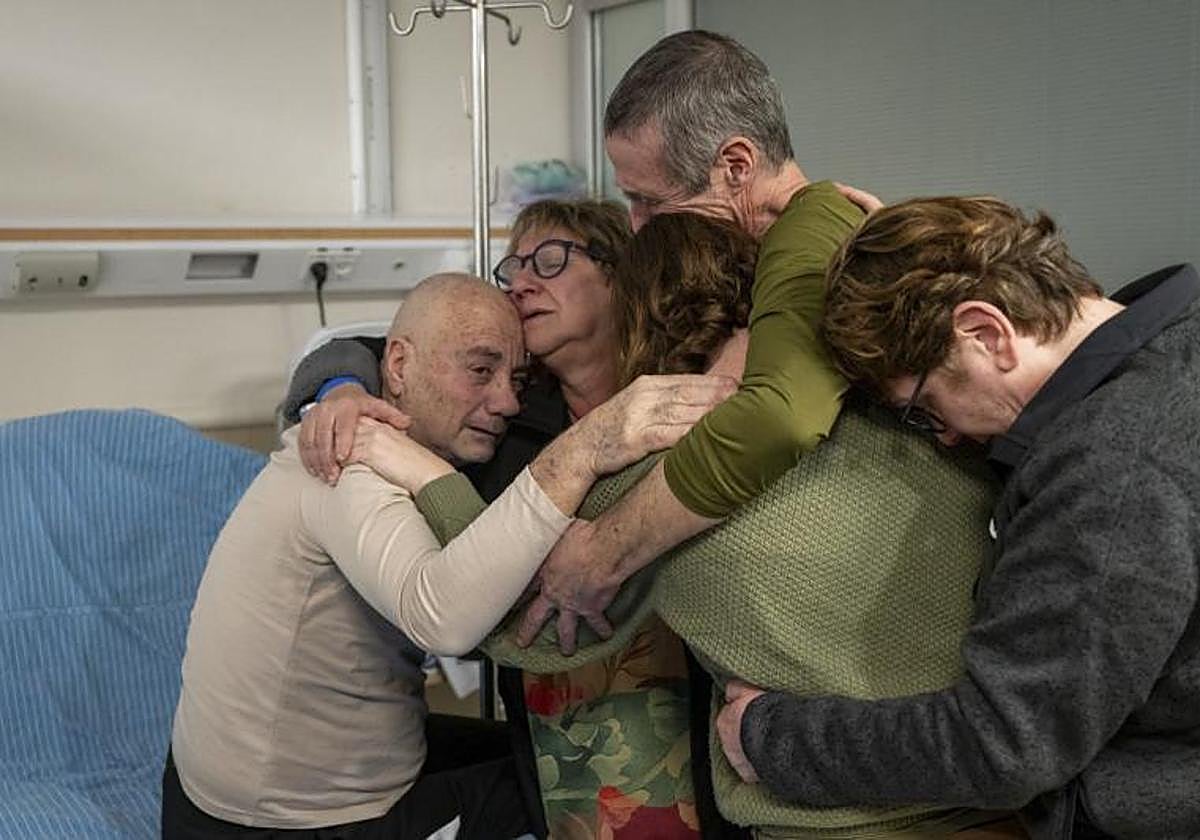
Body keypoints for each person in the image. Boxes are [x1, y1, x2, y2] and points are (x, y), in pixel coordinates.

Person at [370, 212, 1012, 838]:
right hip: (991, 793)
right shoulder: (924, 417)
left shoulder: (658, 477)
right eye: (516, 267)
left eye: (554, 259)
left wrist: (423, 474)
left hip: (825, 812)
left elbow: (501, 614)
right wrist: (338, 383)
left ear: (626, 298)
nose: (524, 284)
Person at [163, 273, 726, 839]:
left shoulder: (424, 440)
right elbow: (444, 619)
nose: (506, 400)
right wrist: (585, 450)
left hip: (271, 780)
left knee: (534, 750)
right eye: (480, 371)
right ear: (400, 367)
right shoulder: (345, 461)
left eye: (517, 378)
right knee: (587, 786)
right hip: (277, 822)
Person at [716, 196, 1200, 838]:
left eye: (922, 408)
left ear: (987, 332)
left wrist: (769, 736)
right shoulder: (1178, 339)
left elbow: (1004, 743)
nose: (940, 438)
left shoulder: (1111, 468)